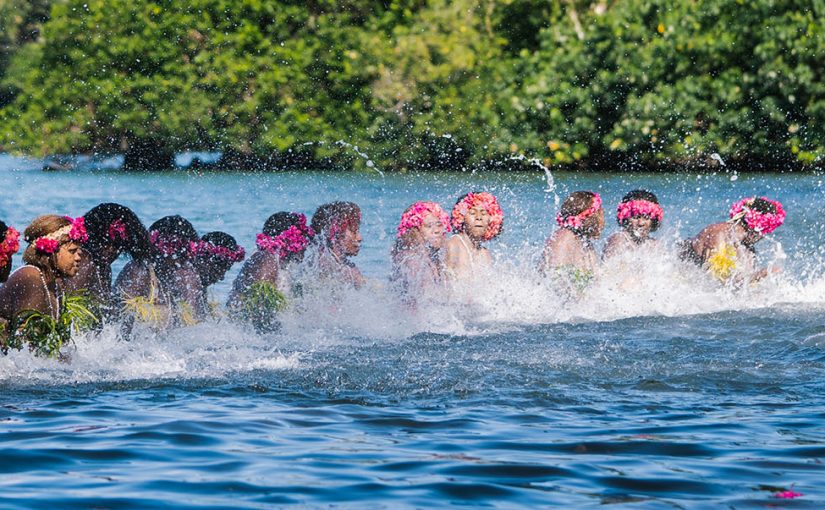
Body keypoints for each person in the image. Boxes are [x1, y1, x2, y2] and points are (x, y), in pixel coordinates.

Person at [0, 215, 91, 357]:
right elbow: (25, 350)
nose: (78, 257)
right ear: (50, 251)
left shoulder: (54, 285)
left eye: (78, 251)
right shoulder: (31, 279)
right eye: (72, 251)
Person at [114, 215, 206, 329]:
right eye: (182, 254)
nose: (186, 259)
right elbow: (119, 321)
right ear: (164, 250)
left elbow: (198, 320)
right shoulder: (139, 270)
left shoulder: (183, 272)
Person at [228, 212, 314, 332]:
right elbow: (259, 313)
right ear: (290, 241)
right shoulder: (267, 261)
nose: (306, 245)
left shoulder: (275, 262)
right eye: (302, 239)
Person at [63, 203, 151, 316]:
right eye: (105, 243)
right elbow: (68, 310)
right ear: (94, 237)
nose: (111, 250)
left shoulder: (104, 267)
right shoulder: (84, 263)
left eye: (117, 245)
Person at [681, 196, 785, 284]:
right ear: (758, 227)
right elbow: (715, 279)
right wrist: (761, 274)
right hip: (680, 277)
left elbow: (741, 284)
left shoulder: (747, 249)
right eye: (766, 231)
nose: (763, 237)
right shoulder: (718, 234)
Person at [539, 191, 604, 288]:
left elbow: (598, 282)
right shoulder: (561, 239)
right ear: (589, 216)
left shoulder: (585, 243)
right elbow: (551, 281)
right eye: (600, 213)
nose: (602, 219)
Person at [390, 201, 451, 305]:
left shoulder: (433, 258)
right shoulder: (411, 259)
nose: (436, 230)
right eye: (428, 226)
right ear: (415, 230)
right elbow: (426, 300)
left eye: (439, 225)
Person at [444, 192, 504, 278]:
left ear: (492, 220)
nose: (479, 217)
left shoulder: (485, 254)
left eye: (484, 213)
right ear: (461, 217)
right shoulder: (453, 245)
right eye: (472, 213)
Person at [309, 201, 365, 289]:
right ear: (334, 232)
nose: (359, 238)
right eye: (353, 230)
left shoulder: (315, 263)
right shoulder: (329, 267)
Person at [603, 190, 664, 258]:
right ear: (625, 218)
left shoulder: (655, 245)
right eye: (635, 217)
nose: (641, 223)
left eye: (646, 218)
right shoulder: (618, 241)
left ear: (653, 220)